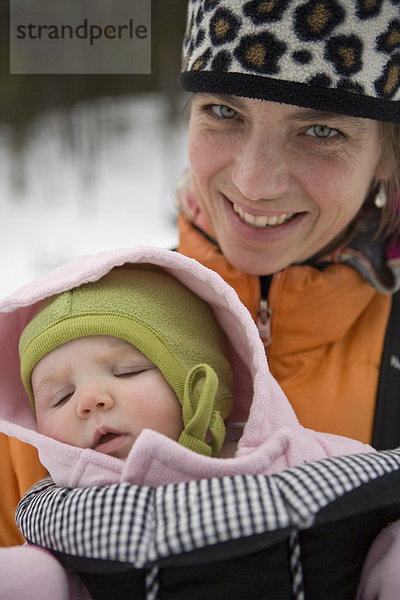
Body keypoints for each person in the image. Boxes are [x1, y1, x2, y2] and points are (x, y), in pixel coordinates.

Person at [1, 0, 399, 546]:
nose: (255, 182)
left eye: (322, 130)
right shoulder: (71, 350)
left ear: (386, 156)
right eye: (224, 112)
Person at [0, 245, 377, 599]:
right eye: (60, 397)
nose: (88, 400)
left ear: (201, 383)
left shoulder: (297, 454)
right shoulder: (68, 516)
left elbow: (376, 498)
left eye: (127, 371)